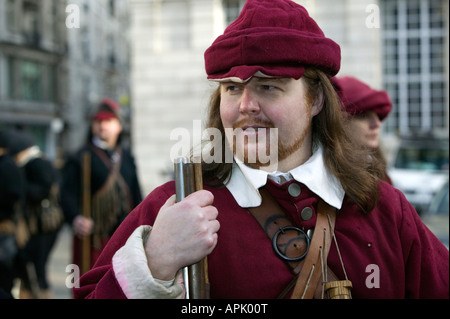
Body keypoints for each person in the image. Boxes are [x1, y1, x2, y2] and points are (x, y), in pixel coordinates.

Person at [74, 0, 448, 299]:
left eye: (269, 87)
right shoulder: (172, 208)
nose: (245, 105)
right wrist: (152, 265)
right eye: (233, 88)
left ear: (315, 99)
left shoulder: (385, 210)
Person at [60, 98, 142, 272]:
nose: (102, 125)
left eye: (108, 121)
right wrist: (76, 218)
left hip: (123, 237)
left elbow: (136, 195)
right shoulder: (80, 157)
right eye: (98, 121)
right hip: (93, 239)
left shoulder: (127, 157)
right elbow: (66, 194)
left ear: (119, 126)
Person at [8, 130, 63, 299]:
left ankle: (41, 293)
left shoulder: (37, 163)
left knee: (37, 265)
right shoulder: (34, 163)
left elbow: (44, 189)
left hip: (43, 224)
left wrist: (20, 189)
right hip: (37, 224)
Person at [332, 76, 393, 183]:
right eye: (363, 115)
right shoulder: (328, 178)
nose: (377, 124)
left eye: (377, 116)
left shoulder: (379, 174)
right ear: (339, 123)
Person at [0, 130, 25, 299]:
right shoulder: (7, 164)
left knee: (4, 270)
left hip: (5, 225)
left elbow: (13, 196)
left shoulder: (6, 166)